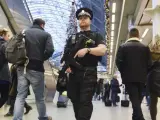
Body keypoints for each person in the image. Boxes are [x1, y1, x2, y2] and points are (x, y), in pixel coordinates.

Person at [62, 8, 106, 120]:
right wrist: (67, 66)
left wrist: (88, 50)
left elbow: (102, 50)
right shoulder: (72, 38)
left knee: (85, 101)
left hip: (89, 73)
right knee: (75, 100)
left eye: (85, 18)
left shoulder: (96, 36)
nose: (82, 20)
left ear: (90, 20)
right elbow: (66, 55)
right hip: (73, 74)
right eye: (80, 18)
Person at [13, 18, 54, 120]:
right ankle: (42, 117)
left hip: (22, 67)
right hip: (36, 67)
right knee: (39, 97)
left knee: (20, 95)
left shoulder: (24, 32)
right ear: (42, 25)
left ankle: (17, 118)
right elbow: (50, 50)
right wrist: (41, 58)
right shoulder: (45, 35)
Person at [116, 28, 152, 120]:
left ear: (129, 35)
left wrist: (123, 72)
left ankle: (139, 118)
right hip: (142, 78)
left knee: (135, 99)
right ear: (138, 35)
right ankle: (135, 117)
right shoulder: (145, 47)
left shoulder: (123, 47)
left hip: (128, 78)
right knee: (137, 99)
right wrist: (145, 73)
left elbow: (118, 62)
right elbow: (149, 64)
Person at [147, 38, 160, 120]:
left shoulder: (149, 53)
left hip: (152, 77)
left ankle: (153, 119)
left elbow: (147, 66)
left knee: (153, 102)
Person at [0, 28, 11, 108]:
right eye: (8, 35)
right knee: (5, 96)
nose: (9, 38)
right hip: (3, 75)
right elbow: (10, 58)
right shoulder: (4, 44)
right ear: (3, 35)